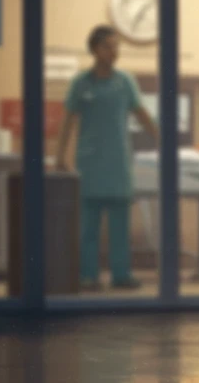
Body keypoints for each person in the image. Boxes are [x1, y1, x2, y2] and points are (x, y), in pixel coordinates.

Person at [56, 25, 159, 292]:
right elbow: (67, 121)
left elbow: (142, 114)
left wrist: (163, 140)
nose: (114, 52)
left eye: (116, 47)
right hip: (89, 163)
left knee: (119, 226)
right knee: (88, 226)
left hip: (117, 163)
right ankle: (88, 276)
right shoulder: (81, 83)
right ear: (95, 50)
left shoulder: (125, 81)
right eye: (109, 47)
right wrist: (59, 156)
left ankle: (121, 275)